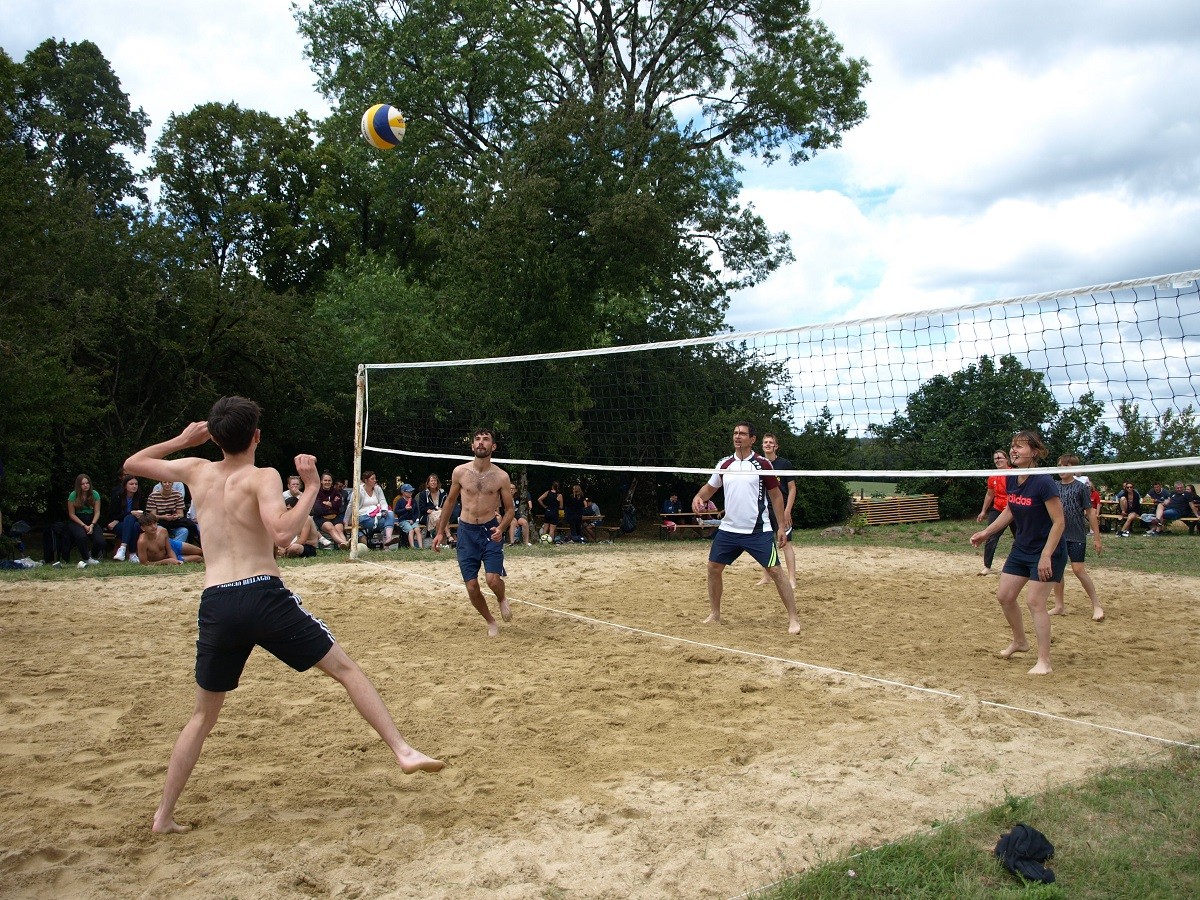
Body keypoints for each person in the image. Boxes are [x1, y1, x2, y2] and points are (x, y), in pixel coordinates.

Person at [123, 396, 442, 834]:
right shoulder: (263, 476)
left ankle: (162, 817)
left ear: (213, 438)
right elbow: (281, 532)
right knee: (346, 669)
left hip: (217, 600)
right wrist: (310, 486)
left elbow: (134, 462)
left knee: (202, 716)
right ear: (256, 437)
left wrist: (182, 439)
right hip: (260, 593)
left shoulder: (195, 469)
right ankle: (403, 750)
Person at [969, 430, 1066, 675]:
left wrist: (1046, 556)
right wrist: (986, 533)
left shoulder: (1043, 481)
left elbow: (1059, 522)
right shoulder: (1011, 478)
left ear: (1034, 452)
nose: (1014, 450)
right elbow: (1010, 511)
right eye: (1012, 446)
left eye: (1020, 447)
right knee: (1004, 596)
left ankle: (1044, 661)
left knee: (1035, 602)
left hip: (1047, 551)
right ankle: (1020, 641)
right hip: (1022, 548)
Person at [691, 422, 801, 635]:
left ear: (752, 439)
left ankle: (793, 618)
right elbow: (710, 488)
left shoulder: (762, 465)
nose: (737, 436)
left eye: (742, 433)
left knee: (776, 571)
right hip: (729, 530)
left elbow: (776, 495)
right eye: (735, 433)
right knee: (713, 568)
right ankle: (715, 614)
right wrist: (698, 497)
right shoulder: (724, 464)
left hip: (757, 531)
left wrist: (780, 526)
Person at [432, 429, 516, 637]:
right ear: (472, 446)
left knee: (493, 580)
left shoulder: (501, 477)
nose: (481, 443)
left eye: (486, 439)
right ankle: (490, 621)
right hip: (466, 532)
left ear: (493, 447)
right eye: (477, 439)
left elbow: (510, 509)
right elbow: (450, 502)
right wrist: (441, 531)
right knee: (471, 586)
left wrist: (502, 528)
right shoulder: (460, 472)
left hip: (490, 530)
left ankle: (501, 598)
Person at [1049, 456, 1104, 621]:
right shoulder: (1054, 486)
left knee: (1078, 570)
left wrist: (1097, 538)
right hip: (1058, 535)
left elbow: (1090, 512)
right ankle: (1059, 605)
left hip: (1076, 535)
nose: (1061, 469)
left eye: (1065, 466)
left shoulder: (1080, 487)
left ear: (1073, 468)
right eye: (1058, 465)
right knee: (1057, 571)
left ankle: (1096, 605)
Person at [754, 433, 797, 589]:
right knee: (765, 543)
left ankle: (792, 579)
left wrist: (787, 511)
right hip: (764, 509)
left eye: (771, 442)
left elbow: (792, 489)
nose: (768, 444)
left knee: (786, 544)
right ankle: (766, 576)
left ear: (776, 446)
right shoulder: (759, 463)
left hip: (781, 508)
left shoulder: (784, 464)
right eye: (765, 442)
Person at [975, 449, 1015, 575]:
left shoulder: (1014, 473)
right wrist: (983, 511)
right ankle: (987, 566)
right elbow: (989, 494)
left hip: (1014, 509)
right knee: (991, 536)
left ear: (1006, 459)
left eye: (1000, 458)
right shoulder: (992, 476)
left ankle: (1021, 564)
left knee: (1021, 537)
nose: (998, 460)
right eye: (995, 459)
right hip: (998, 508)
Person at [66, 473, 105, 567]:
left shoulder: (95, 494)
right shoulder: (73, 495)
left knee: (100, 541)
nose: (85, 485)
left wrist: (92, 524)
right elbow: (71, 514)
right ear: (79, 485)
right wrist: (83, 525)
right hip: (77, 520)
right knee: (81, 536)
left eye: (87, 483)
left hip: (91, 519)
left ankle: (92, 556)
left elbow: (97, 512)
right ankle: (86, 558)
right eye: (83, 484)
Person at [136, 511, 204, 565]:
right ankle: (181, 558)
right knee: (199, 558)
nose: (153, 526)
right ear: (143, 528)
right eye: (149, 525)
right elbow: (144, 563)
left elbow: (170, 550)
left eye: (154, 523)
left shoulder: (162, 531)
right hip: (164, 558)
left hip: (172, 545)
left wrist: (175, 561)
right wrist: (165, 562)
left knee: (201, 552)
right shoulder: (142, 542)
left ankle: (179, 557)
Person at [145, 479, 197, 545]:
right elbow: (152, 516)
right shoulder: (153, 496)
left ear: (172, 483)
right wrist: (163, 517)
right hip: (160, 523)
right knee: (161, 531)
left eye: (169, 482)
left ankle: (171, 549)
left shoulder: (177, 495)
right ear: (161, 483)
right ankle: (172, 549)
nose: (167, 484)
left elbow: (181, 514)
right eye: (164, 482)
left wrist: (176, 516)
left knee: (184, 531)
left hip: (174, 523)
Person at [107, 474, 144, 563]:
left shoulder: (140, 497)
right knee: (130, 518)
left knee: (135, 525)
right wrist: (130, 513)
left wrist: (138, 515)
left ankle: (123, 549)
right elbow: (113, 515)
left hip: (136, 523)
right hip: (120, 524)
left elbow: (144, 512)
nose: (134, 486)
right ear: (125, 486)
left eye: (136, 484)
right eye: (131, 484)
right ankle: (132, 554)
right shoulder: (118, 497)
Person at [356, 471, 396, 549]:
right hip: (363, 517)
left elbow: (383, 501)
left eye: (375, 479)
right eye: (372, 479)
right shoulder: (359, 490)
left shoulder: (377, 489)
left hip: (377, 515)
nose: (375, 480)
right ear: (366, 480)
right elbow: (351, 505)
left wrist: (384, 510)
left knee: (390, 514)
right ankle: (386, 545)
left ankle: (388, 539)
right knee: (388, 523)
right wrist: (346, 519)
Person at [313, 472, 350, 549]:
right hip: (321, 517)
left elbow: (339, 505)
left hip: (335, 516)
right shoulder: (317, 492)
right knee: (331, 529)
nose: (327, 482)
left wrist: (329, 504)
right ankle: (344, 543)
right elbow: (318, 509)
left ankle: (343, 545)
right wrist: (332, 505)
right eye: (325, 480)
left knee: (339, 529)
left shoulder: (335, 491)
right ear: (321, 481)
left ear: (332, 482)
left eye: (329, 480)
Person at [392, 483, 424, 549]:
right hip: (403, 520)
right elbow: (396, 511)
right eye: (409, 492)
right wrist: (405, 509)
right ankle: (412, 546)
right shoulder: (400, 501)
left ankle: (421, 547)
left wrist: (413, 520)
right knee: (411, 530)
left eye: (411, 491)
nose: (411, 493)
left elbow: (416, 512)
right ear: (403, 492)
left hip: (412, 520)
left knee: (417, 530)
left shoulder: (413, 501)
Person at [416, 474, 447, 540]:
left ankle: (438, 540)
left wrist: (436, 509)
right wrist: (435, 507)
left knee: (439, 519)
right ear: (428, 483)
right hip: (427, 515)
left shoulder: (443, 493)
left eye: (435, 481)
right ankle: (448, 535)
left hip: (441, 515)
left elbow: (447, 506)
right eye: (431, 481)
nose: (433, 482)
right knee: (440, 516)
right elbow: (422, 509)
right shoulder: (423, 494)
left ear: (437, 482)